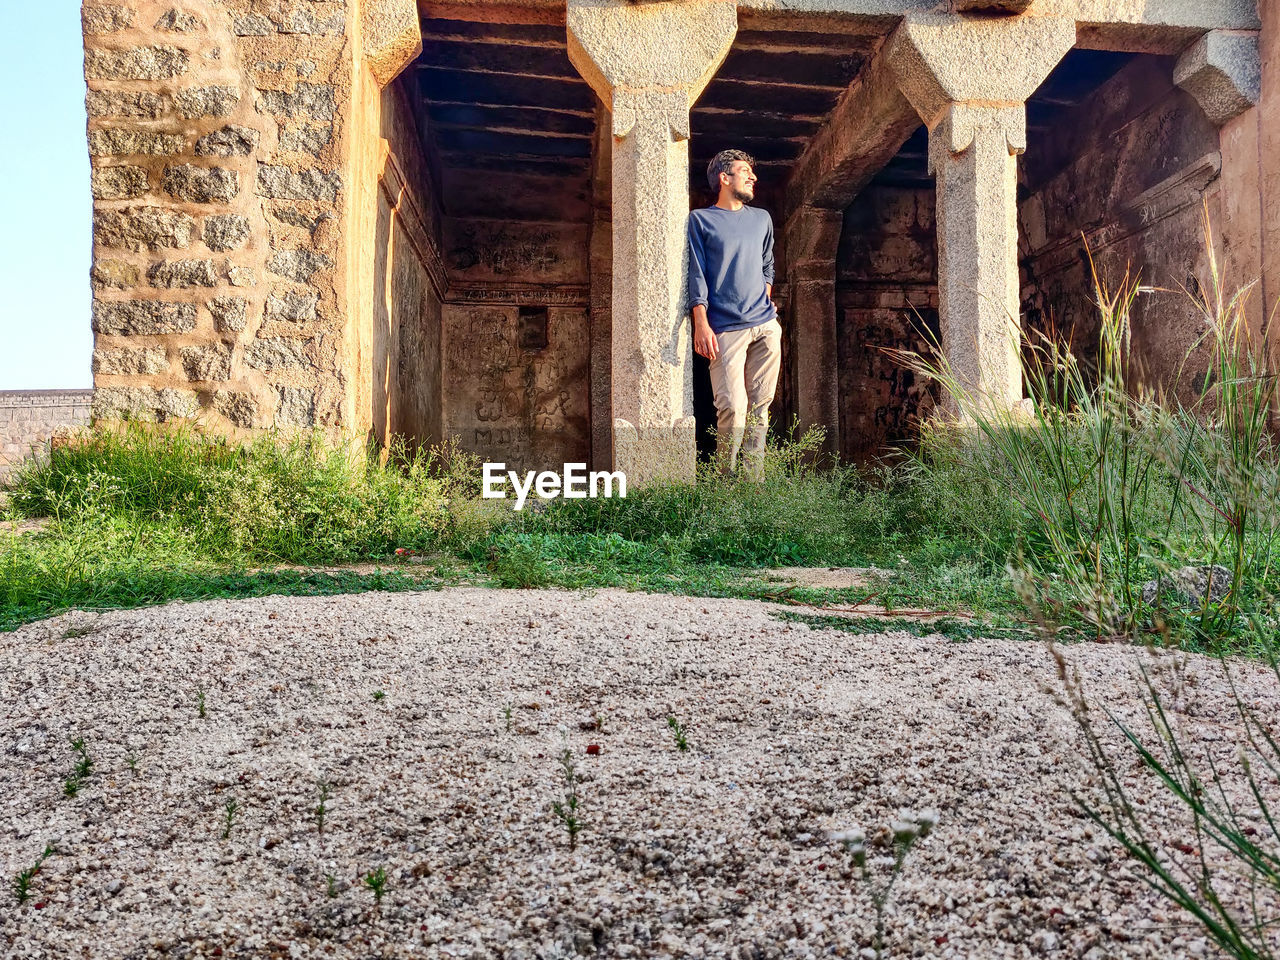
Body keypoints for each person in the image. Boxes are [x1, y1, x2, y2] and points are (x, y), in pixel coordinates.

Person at [687, 149, 782, 478]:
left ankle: (753, 485)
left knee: (760, 408)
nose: (753, 177)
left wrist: (764, 299)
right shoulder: (700, 220)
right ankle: (725, 484)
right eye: (744, 171)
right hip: (725, 328)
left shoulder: (762, 219)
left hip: (765, 326)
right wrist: (701, 323)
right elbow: (696, 274)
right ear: (724, 178)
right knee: (732, 408)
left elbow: (767, 265)